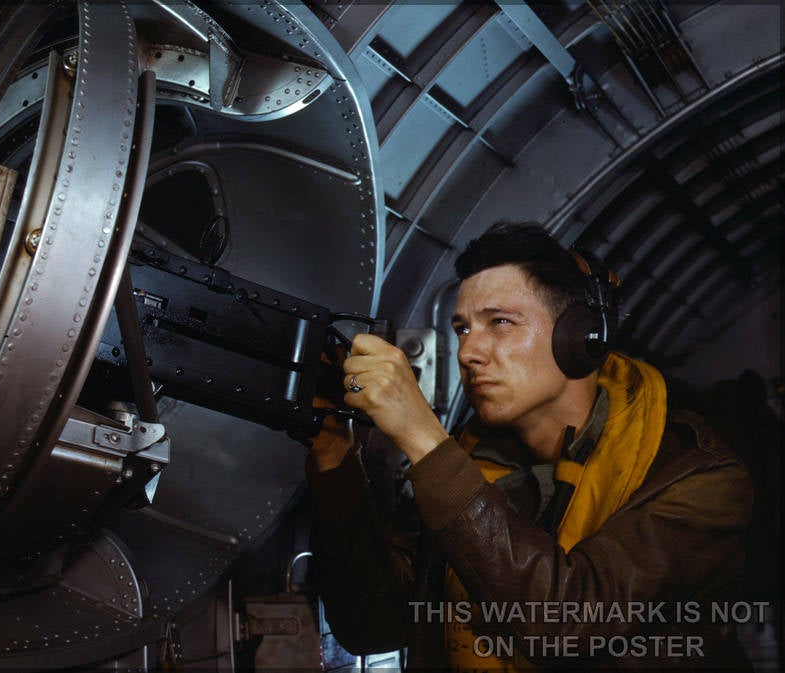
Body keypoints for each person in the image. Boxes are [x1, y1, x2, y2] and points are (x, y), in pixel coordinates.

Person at [307, 223, 755, 671]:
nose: (468, 351)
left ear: (583, 337)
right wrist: (334, 454)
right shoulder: (466, 468)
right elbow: (371, 625)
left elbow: (566, 623)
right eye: (462, 328)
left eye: (500, 322)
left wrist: (424, 438)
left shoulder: (699, 479)